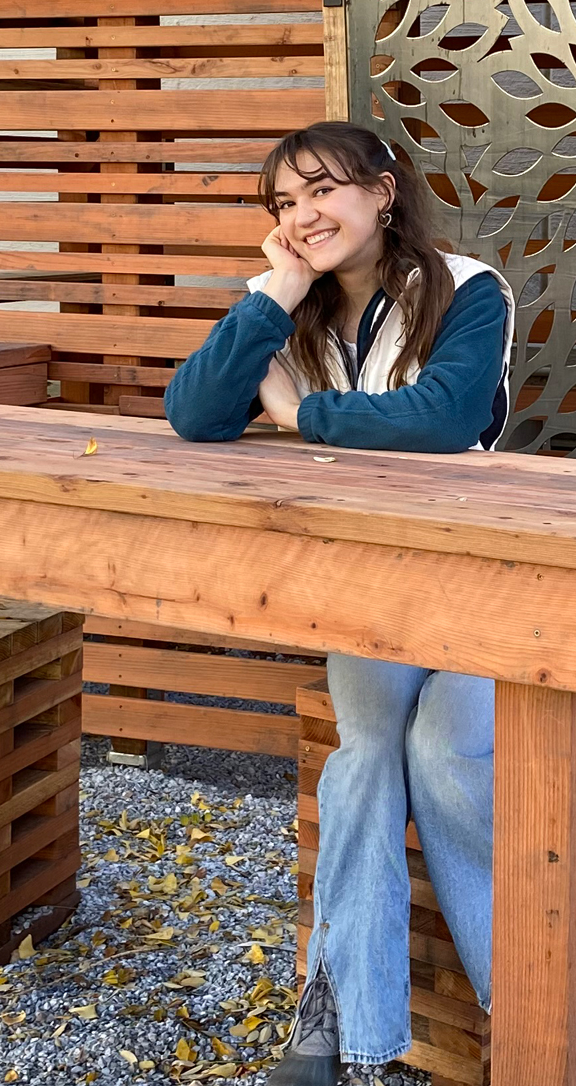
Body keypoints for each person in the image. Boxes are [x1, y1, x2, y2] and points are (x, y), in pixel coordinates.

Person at [165, 122, 516, 1083]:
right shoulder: (288, 303)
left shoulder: (466, 288)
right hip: (365, 580)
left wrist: (293, 415)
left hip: (482, 567)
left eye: (322, 191)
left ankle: (521, 1002)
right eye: (284, 203)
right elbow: (195, 413)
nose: (303, 216)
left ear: (383, 191)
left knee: (444, 753)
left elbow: (443, 419)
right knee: (364, 754)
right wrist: (276, 293)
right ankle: (332, 1027)